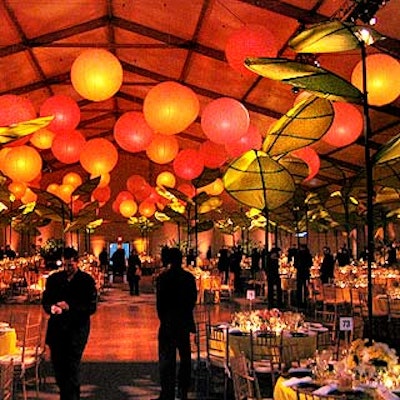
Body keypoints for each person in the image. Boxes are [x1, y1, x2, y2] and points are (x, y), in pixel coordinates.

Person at [42, 255, 97, 400]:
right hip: (57, 330)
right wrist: (52, 307)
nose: (67, 269)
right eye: (65, 265)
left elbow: (91, 307)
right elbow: (46, 301)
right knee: (58, 366)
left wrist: (69, 307)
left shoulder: (86, 281)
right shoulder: (54, 279)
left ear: (77, 263)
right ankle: (65, 394)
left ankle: (72, 396)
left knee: (72, 366)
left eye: (70, 265)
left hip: (77, 330)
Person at [154, 247, 197, 400]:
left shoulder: (163, 278)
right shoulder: (188, 278)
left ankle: (167, 392)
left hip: (168, 323)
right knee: (185, 358)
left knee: (167, 359)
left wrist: (164, 318)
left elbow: (160, 304)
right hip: (184, 322)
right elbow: (193, 299)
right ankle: (183, 390)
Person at [294, 243, 313, 308]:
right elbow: (310, 264)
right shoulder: (308, 255)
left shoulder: (297, 254)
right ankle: (304, 301)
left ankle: (299, 302)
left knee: (299, 288)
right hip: (305, 273)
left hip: (300, 273)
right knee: (305, 288)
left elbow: (295, 264)